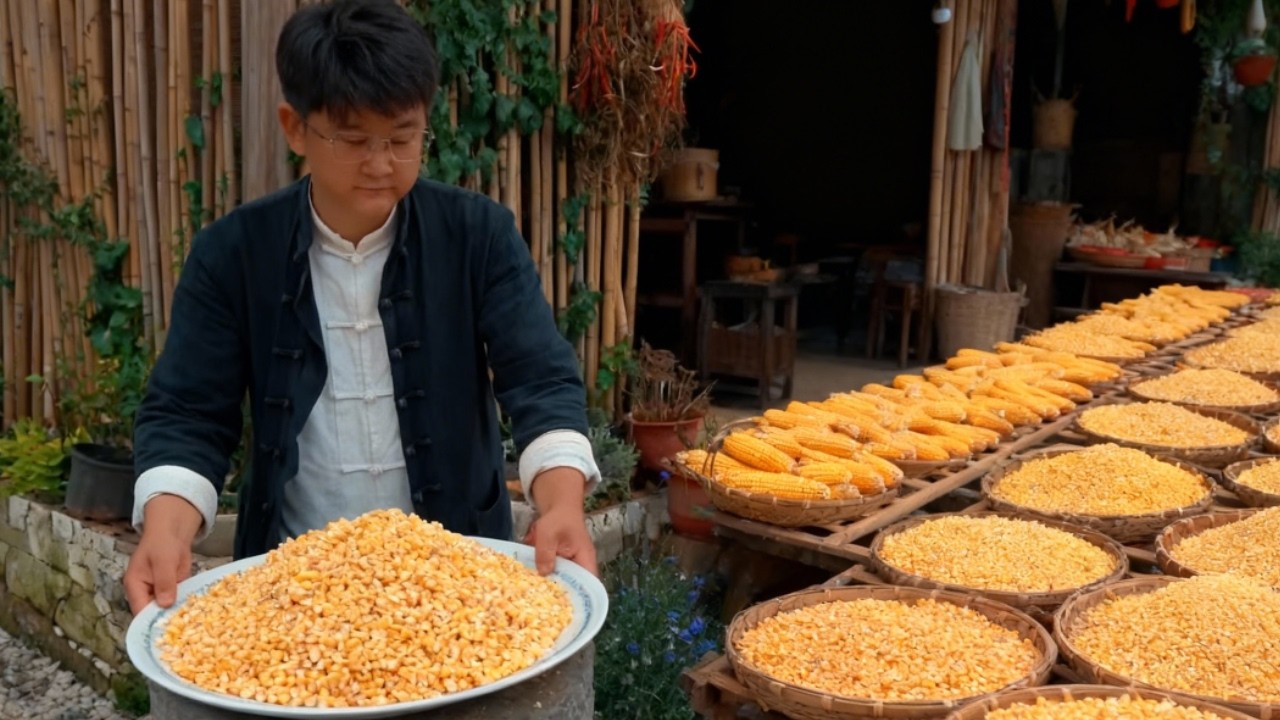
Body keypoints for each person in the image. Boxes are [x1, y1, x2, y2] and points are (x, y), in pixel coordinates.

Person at [122, 0, 600, 616]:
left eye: (402, 138)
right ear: (295, 127)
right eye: (353, 140)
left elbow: (538, 376)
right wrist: (165, 529)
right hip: (295, 580)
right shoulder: (234, 253)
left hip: (458, 576)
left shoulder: (477, 234)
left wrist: (561, 504)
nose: (381, 164)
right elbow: (188, 411)